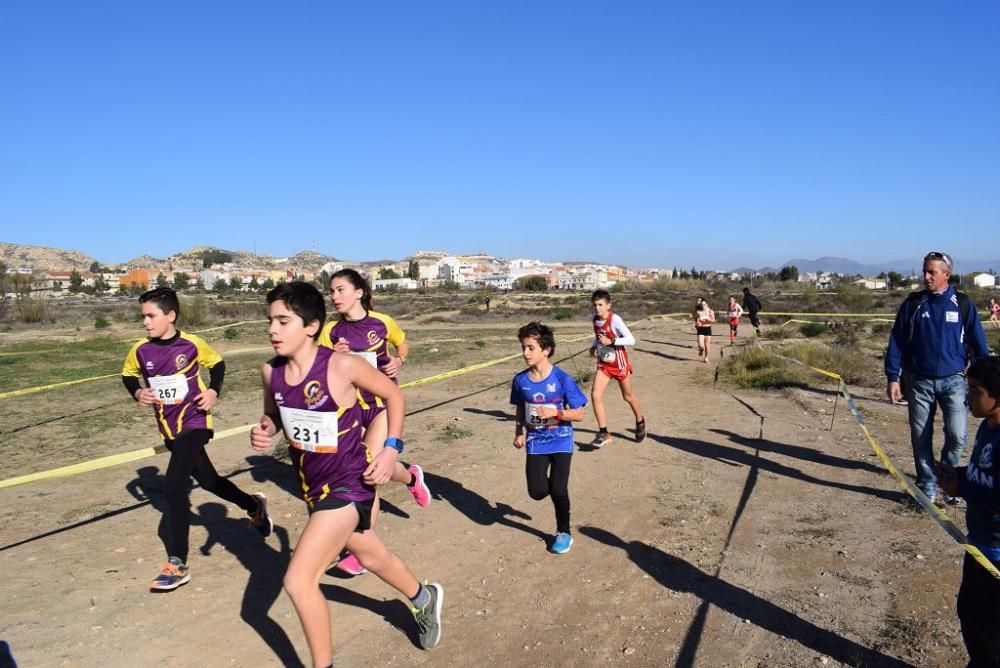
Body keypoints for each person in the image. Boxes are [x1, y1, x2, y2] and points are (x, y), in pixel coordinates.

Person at [250, 282, 442, 666]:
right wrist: (267, 428)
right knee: (371, 555)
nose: (272, 329)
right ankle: (424, 597)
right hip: (313, 489)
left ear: (311, 326)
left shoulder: (341, 365)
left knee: (298, 581)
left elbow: (395, 396)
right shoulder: (270, 372)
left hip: (351, 484)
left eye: (283, 321)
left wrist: (390, 451)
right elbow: (274, 414)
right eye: (271, 320)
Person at [121, 287, 271, 591]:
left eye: (151, 316)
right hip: (170, 429)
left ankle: (177, 563)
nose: (146, 322)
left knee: (174, 487)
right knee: (209, 481)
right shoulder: (139, 350)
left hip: (196, 421)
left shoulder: (191, 345)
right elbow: (127, 375)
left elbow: (217, 364)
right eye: (143, 317)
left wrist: (213, 391)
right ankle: (253, 505)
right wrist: (138, 391)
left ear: (170, 315)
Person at [319, 269, 431, 576]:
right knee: (367, 469)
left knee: (367, 470)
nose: (334, 296)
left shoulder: (381, 322)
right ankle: (410, 477)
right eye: (332, 291)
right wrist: (331, 355)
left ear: (359, 292)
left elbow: (402, 344)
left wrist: (399, 360)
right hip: (351, 410)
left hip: (382, 405)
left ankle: (361, 549)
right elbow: (319, 364)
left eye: (341, 290)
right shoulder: (330, 330)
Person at [885, 251, 990, 505]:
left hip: (954, 380)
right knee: (921, 437)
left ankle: (950, 482)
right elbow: (897, 341)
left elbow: (979, 346)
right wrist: (893, 377)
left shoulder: (963, 305)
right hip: (918, 381)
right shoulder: (913, 304)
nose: (926, 276)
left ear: (947, 274)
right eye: (925, 271)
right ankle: (926, 487)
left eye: (932, 272)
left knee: (957, 436)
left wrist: (985, 379)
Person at [935, 356, 1000, 666]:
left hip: (996, 554)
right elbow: (983, 474)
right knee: (971, 615)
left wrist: (959, 490)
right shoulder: (988, 427)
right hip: (980, 542)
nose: (967, 398)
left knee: (988, 628)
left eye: (975, 391)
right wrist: (957, 474)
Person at [510, 322, 587, 554]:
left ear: (546, 350)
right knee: (537, 492)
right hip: (536, 441)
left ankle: (563, 532)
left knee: (559, 489)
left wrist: (557, 413)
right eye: (523, 347)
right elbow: (521, 409)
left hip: (561, 439)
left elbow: (580, 414)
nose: (525, 353)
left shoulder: (562, 379)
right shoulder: (520, 381)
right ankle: (550, 492)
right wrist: (518, 433)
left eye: (530, 348)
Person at [589, 289, 645, 447]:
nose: (597, 308)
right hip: (604, 364)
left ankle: (640, 421)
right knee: (595, 395)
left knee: (627, 396)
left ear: (608, 305)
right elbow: (599, 336)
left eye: (600, 305)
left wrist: (612, 341)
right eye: (595, 305)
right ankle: (603, 432)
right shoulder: (594, 319)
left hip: (619, 363)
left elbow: (631, 340)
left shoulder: (615, 320)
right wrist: (594, 346)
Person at [693, 297, 715, 363]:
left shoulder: (710, 311)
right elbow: (694, 317)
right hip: (700, 329)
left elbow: (713, 320)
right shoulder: (699, 311)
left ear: (707, 304)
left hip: (708, 328)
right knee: (701, 345)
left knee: (707, 345)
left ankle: (706, 357)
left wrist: (709, 320)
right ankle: (701, 349)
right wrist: (697, 322)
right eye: (702, 304)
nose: (703, 305)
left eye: (704, 304)